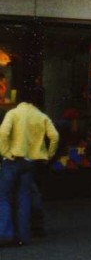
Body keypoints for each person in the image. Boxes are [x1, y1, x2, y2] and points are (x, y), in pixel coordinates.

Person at [0, 88, 59, 247]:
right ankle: (23, 236)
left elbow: (3, 133)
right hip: (30, 162)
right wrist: (48, 155)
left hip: (12, 160)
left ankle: (5, 234)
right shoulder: (42, 116)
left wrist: (5, 151)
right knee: (24, 198)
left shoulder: (13, 113)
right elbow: (55, 136)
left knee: (3, 197)